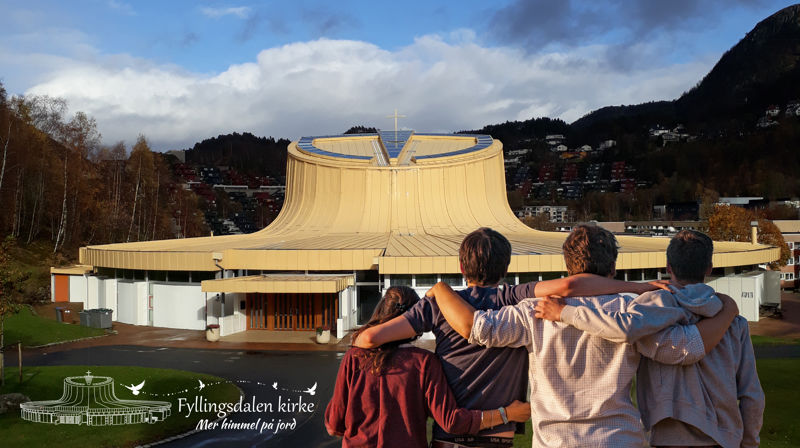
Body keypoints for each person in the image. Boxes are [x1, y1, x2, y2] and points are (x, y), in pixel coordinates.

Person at [354, 227, 671, 447]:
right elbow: (570, 286)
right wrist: (637, 287)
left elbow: (370, 340)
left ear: (462, 267)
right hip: (503, 434)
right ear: (505, 267)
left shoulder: (440, 304)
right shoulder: (515, 297)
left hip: (451, 436)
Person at [428, 224, 739, 447]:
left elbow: (479, 328)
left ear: (568, 266)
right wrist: (727, 310)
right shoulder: (629, 310)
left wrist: (439, 290)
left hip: (556, 441)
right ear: (613, 269)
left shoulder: (534, 310)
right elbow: (682, 349)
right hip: (618, 438)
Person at [535, 230, 765, 447]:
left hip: (669, 436)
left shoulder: (651, 312)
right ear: (709, 268)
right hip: (725, 437)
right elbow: (751, 393)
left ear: (668, 267)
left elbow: (624, 328)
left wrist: (565, 312)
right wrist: (749, 442)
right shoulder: (734, 322)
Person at [325, 286, 530, 448]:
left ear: (380, 311)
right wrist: (506, 414)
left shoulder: (354, 357)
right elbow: (451, 421)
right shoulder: (424, 363)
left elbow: (334, 425)